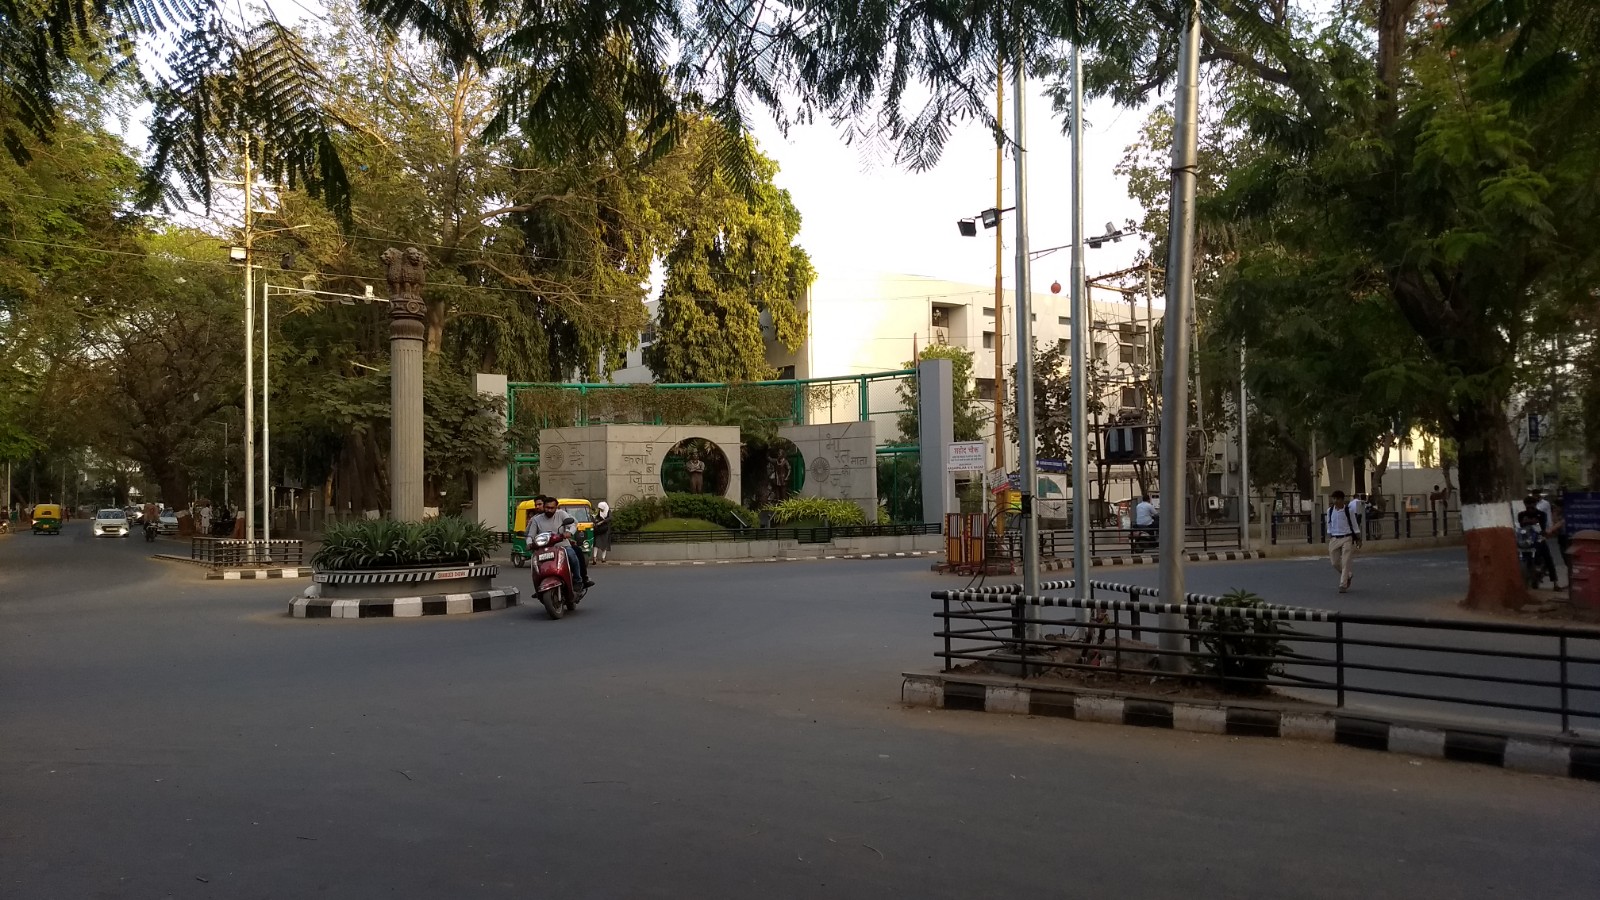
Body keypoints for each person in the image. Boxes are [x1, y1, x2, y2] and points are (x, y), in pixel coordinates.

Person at [528, 495, 592, 588]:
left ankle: (578, 580)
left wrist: (569, 533)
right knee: (535, 564)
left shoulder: (561, 514)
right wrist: (529, 543)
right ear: (544, 507)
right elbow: (530, 535)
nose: (549, 510)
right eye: (547, 507)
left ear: (556, 508)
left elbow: (572, 525)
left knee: (572, 556)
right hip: (544, 548)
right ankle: (538, 586)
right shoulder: (536, 519)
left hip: (562, 546)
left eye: (551, 508)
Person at [1326, 490, 1365, 593]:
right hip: (1334, 538)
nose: (1335, 501)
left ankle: (1343, 584)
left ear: (1342, 500)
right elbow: (1329, 524)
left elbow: (1355, 525)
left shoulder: (1349, 511)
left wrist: (1358, 538)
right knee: (1334, 562)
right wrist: (1329, 534)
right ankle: (1348, 575)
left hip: (1347, 538)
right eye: (1334, 498)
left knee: (1345, 561)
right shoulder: (1330, 510)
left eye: (1338, 499)